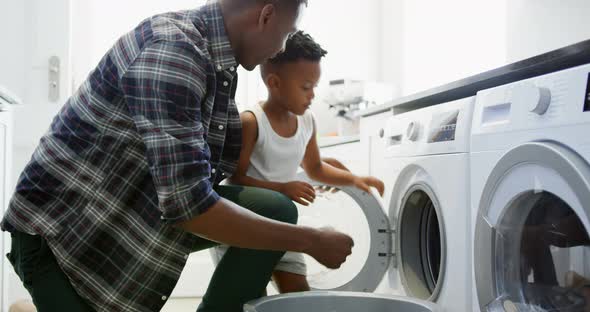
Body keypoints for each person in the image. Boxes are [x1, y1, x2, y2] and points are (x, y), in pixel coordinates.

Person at [1, 1, 354, 311]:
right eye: (286, 33)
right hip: (64, 237)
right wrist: (312, 240)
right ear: (265, 16)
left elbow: (195, 180)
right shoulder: (174, 52)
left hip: (133, 208)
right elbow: (188, 206)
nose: (281, 47)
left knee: (276, 208)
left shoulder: (218, 61)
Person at [211, 31, 384, 294]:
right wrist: (282, 189)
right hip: (248, 227)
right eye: (305, 87)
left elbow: (314, 168)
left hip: (285, 230)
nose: (312, 95)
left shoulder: (307, 121)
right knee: (248, 296)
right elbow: (236, 179)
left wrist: (354, 179)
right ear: (274, 83)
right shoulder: (251, 122)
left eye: (315, 86)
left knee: (298, 295)